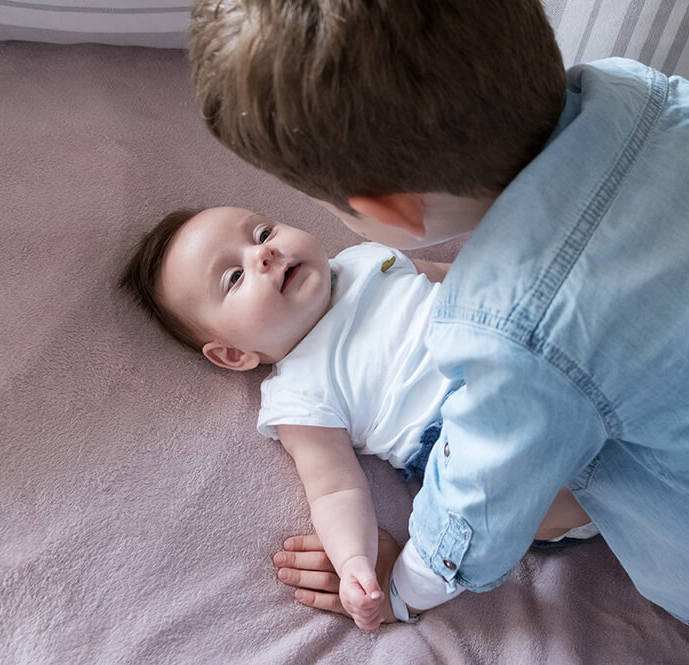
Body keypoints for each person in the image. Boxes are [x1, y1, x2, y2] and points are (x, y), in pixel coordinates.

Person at [186, 2, 689, 663]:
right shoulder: (652, 94)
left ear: (384, 213)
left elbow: (476, 508)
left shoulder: (511, 334)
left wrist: (403, 585)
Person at [119, 206, 596, 630]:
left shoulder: (367, 260)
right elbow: (334, 489)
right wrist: (355, 564)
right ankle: (411, 587)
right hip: (462, 440)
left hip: (519, 350)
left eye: (262, 233)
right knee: (510, 491)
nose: (262, 255)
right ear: (233, 354)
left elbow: (463, 278)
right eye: (234, 278)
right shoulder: (297, 395)